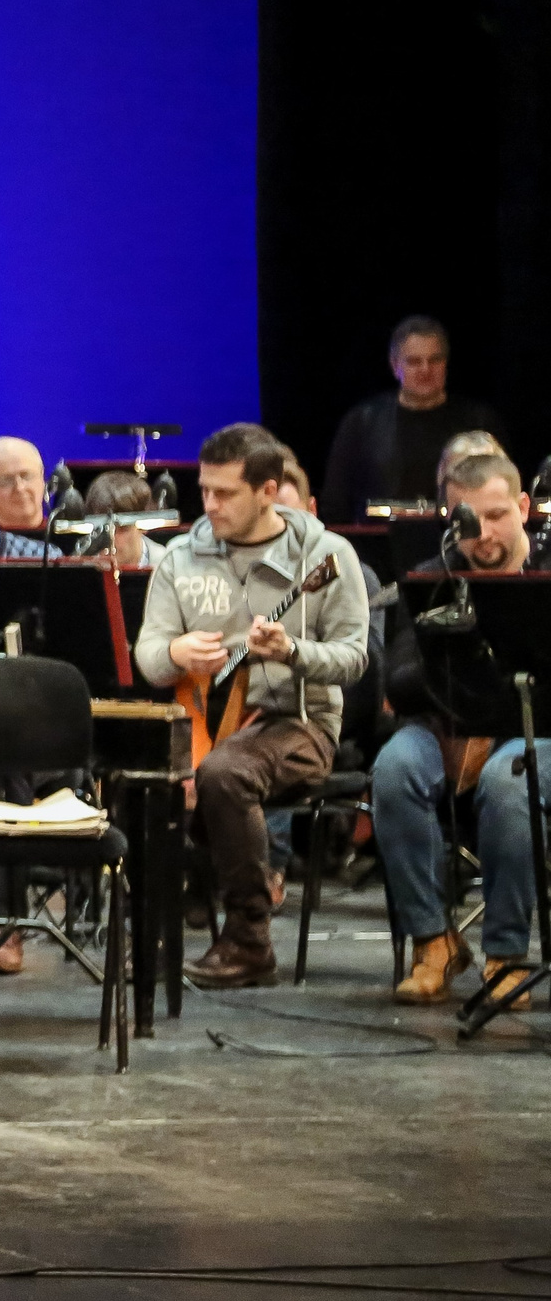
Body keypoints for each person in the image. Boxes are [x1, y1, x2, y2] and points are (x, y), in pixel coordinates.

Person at [135, 424, 368, 989]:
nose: (208, 505)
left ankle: (249, 940)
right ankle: (148, 939)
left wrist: (293, 651)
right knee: (138, 778)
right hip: (205, 719)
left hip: (298, 723)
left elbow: (355, 658)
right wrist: (175, 651)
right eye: (205, 491)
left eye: (225, 494)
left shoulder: (328, 556)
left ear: (268, 491)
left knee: (224, 774)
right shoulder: (181, 560)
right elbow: (147, 654)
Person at [373, 451, 540, 1008]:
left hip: (534, 729)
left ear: (523, 507)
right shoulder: (432, 577)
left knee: (508, 782)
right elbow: (396, 680)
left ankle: (507, 954)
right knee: (394, 769)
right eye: (469, 521)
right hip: (447, 728)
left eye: (497, 515)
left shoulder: (547, 575)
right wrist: (453, 649)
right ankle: (434, 941)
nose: (484, 533)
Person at [322, 316, 513, 522]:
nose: (425, 370)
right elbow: (335, 503)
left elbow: (505, 492)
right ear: (395, 365)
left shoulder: (479, 421)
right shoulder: (361, 422)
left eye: (434, 360)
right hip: (376, 547)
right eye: (414, 361)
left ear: (446, 363)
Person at [82, 470, 166, 569]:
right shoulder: (81, 568)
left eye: (122, 528)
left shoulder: (168, 566)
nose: (109, 540)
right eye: (101, 529)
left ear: (143, 526)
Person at [0, 437, 51, 546]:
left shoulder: (69, 540)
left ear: (42, 478)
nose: (19, 488)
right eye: (6, 480)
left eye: (26, 476)